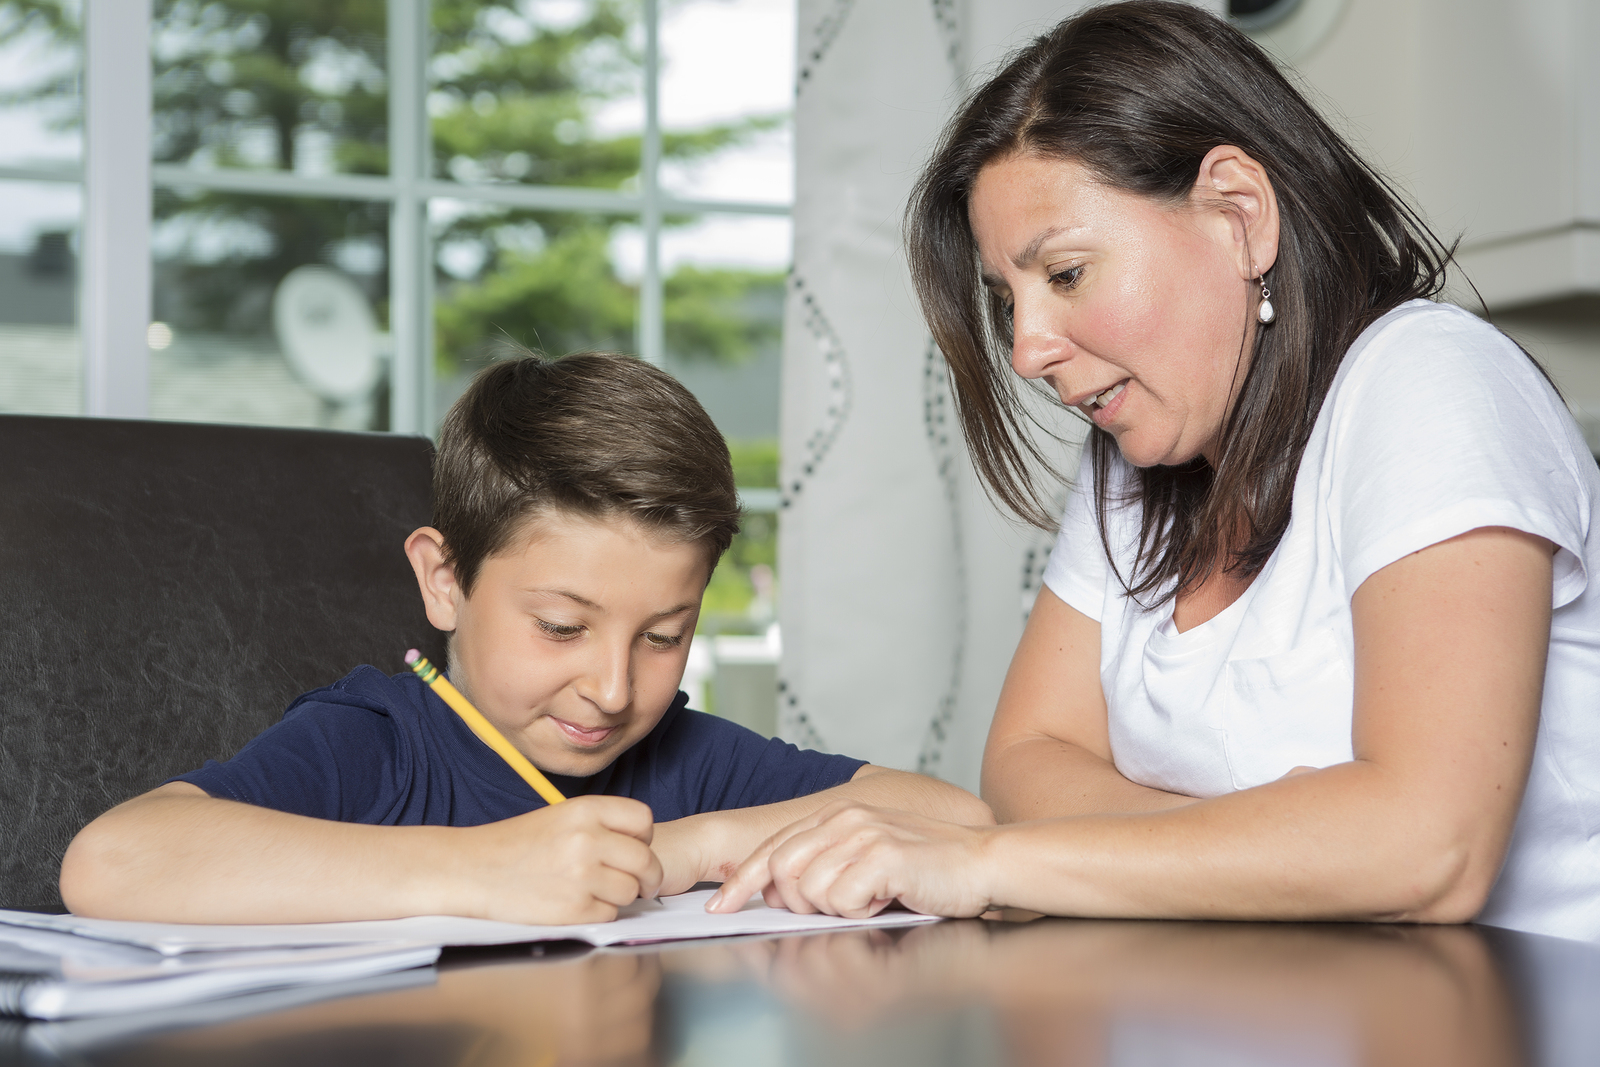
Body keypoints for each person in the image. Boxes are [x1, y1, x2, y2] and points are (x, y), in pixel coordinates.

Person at [709, 0, 1600, 942]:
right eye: (1006, 299)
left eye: (1066, 274)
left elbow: (1429, 848)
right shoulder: (1134, 465)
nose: (1027, 349)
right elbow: (1021, 761)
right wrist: (1290, 842)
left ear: (1237, 214)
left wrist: (986, 860)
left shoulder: (1429, 378)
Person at [60, 351, 991, 925]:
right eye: (560, 627)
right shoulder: (379, 740)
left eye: (664, 635)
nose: (613, 689)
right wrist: (484, 868)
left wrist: (699, 845)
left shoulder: (681, 758)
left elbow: (959, 824)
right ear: (445, 579)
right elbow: (114, 859)